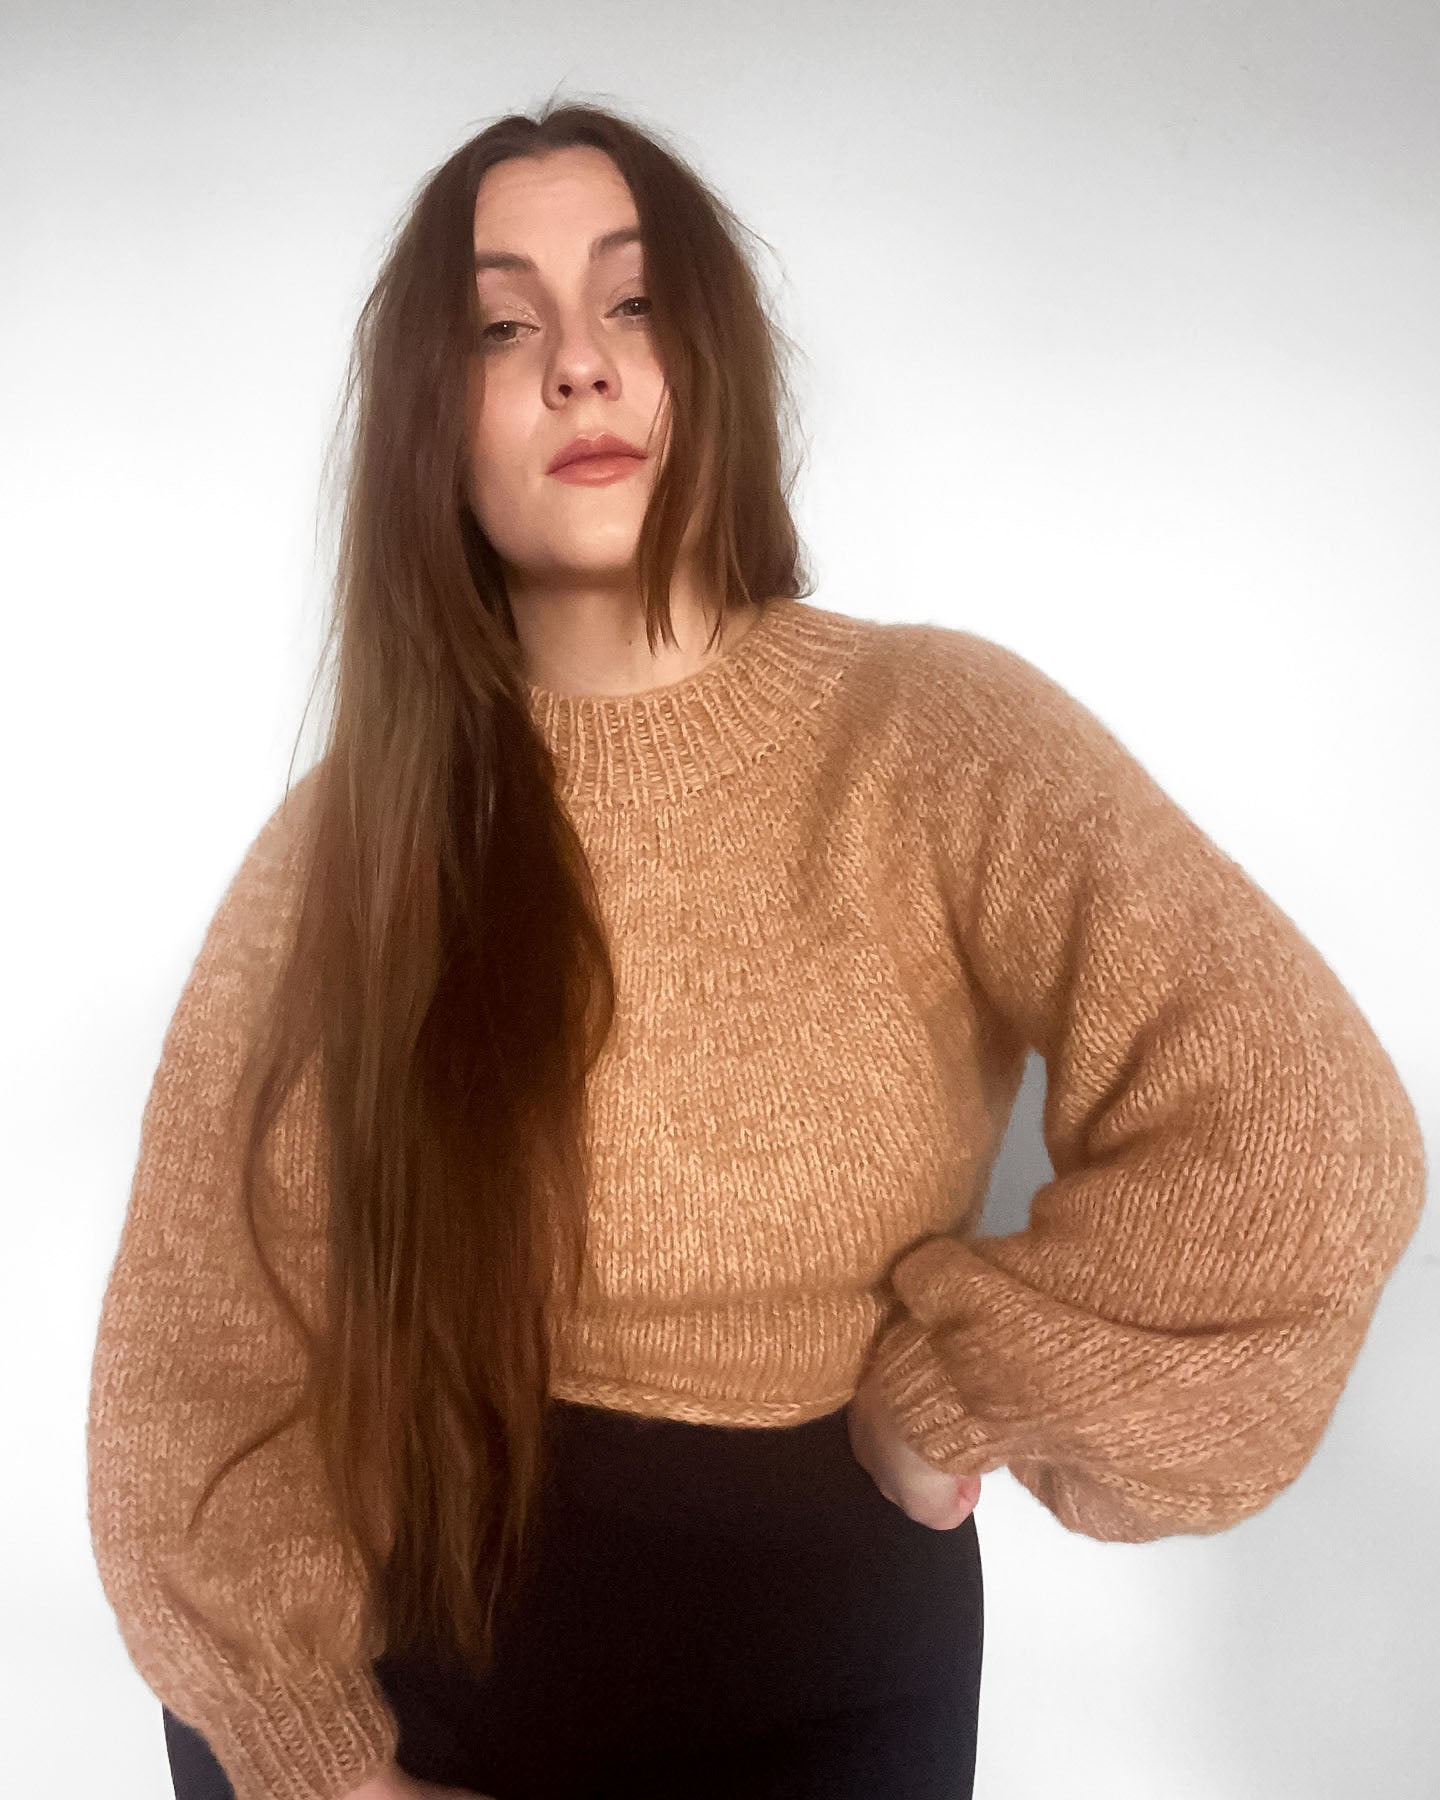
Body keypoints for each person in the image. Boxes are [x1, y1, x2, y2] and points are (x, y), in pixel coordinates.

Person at [86, 100, 1426, 1800]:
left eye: (632, 301)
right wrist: (329, 1770)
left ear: (711, 356)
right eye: (501, 328)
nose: (579, 364)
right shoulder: (358, 834)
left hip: (818, 1667)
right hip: (411, 1671)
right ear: (435, 422)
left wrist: (961, 1386)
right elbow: (203, 1355)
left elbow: (1307, 1139)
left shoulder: (937, 739)